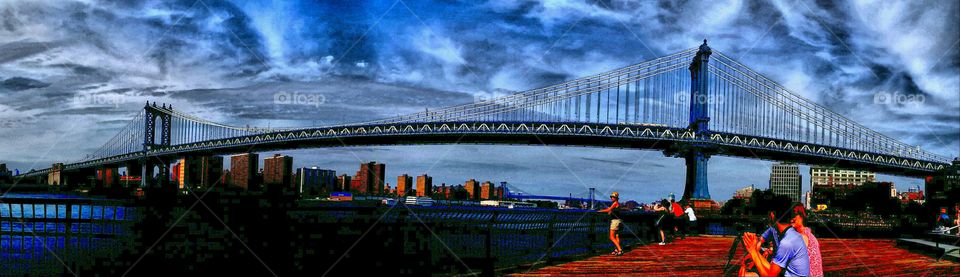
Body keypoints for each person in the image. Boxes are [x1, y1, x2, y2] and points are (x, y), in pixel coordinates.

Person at [741, 201, 810, 277]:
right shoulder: (792, 234)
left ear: (772, 215)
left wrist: (753, 252)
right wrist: (754, 251)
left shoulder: (787, 242)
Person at [791, 203, 823, 277]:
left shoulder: (802, 237)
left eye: (794, 215)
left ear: (802, 216)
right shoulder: (808, 234)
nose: (791, 219)